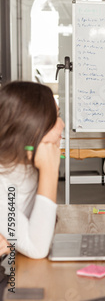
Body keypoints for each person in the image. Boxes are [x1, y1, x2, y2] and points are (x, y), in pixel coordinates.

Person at [0, 81, 64, 259]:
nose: (62, 125)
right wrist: (50, 172)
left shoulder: (27, 165)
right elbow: (37, 248)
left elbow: (40, 229)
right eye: (54, 119)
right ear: (32, 127)